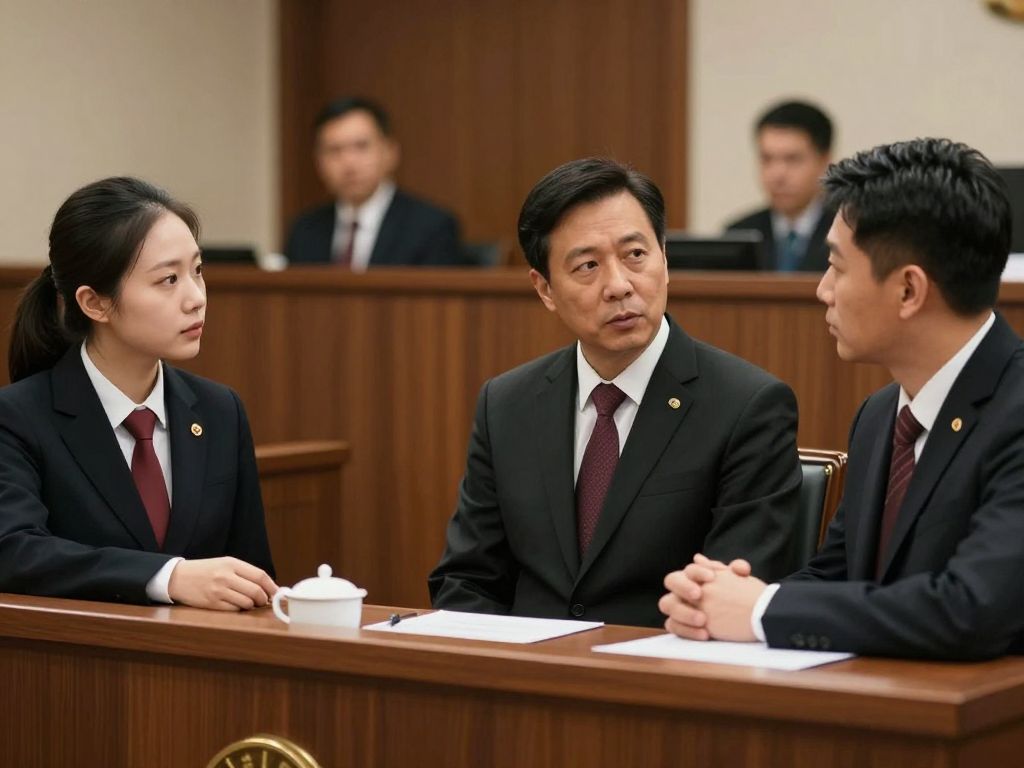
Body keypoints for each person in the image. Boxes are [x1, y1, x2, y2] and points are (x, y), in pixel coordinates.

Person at [660, 138, 1024, 660]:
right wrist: (717, 600)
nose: (821, 289)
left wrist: (764, 612)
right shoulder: (881, 416)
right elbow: (838, 573)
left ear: (908, 291)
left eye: (837, 266)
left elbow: (970, 609)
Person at [428, 158, 802, 627]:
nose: (619, 285)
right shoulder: (506, 405)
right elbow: (467, 580)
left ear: (665, 258)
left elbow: (728, 599)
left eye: (635, 255)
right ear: (544, 289)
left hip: (659, 679)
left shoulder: (747, 405)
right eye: (587, 266)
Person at [0, 177, 277, 610]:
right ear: (95, 303)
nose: (196, 298)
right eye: (168, 279)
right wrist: (167, 577)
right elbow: (14, 552)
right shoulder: (18, 417)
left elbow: (251, 575)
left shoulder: (220, 410)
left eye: (197, 271)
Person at [284, 96, 463, 269]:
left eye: (361, 146)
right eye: (334, 150)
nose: (349, 163)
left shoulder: (431, 227)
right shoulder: (304, 230)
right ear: (318, 161)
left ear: (390, 153)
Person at [726, 100, 834, 272]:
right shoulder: (737, 235)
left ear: (824, 161)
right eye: (767, 159)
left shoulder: (851, 233)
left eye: (792, 159)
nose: (777, 175)